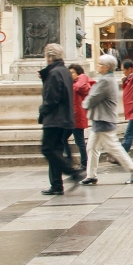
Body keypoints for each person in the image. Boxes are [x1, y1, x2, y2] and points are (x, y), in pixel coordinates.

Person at [81, 55, 133, 185]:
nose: (97, 66)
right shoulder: (108, 79)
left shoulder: (105, 81)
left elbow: (94, 97)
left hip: (104, 119)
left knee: (113, 147)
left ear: (106, 67)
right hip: (101, 118)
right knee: (92, 147)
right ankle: (91, 175)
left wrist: (85, 104)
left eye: (99, 64)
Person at [39, 44, 85, 195]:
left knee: (48, 149)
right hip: (65, 118)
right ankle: (57, 185)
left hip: (55, 118)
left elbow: (52, 97)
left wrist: (43, 110)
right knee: (56, 150)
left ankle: (71, 171)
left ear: (49, 57)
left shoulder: (54, 73)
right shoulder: (64, 71)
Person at [64, 64, 91, 170]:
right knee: (63, 138)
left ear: (78, 74)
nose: (70, 75)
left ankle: (84, 162)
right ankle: (70, 160)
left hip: (77, 116)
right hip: (71, 117)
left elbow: (80, 88)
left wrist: (83, 76)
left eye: (72, 73)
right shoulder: (73, 84)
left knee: (79, 140)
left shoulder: (80, 84)